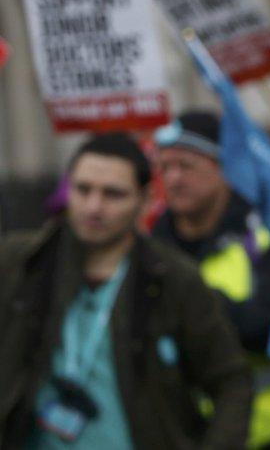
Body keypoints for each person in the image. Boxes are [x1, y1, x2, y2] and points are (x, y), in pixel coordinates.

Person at [0, 133, 251, 449]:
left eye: (112, 194)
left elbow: (231, 382)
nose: (94, 206)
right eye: (83, 189)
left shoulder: (173, 279)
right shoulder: (20, 264)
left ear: (144, 201)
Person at [150, 111, 270, 448]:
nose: (173, 179)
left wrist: (190, 299)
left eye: (186, 165)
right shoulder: (149, 248)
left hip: (267, 435)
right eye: (165, 167)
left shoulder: (267, 237)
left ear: (224, 168)